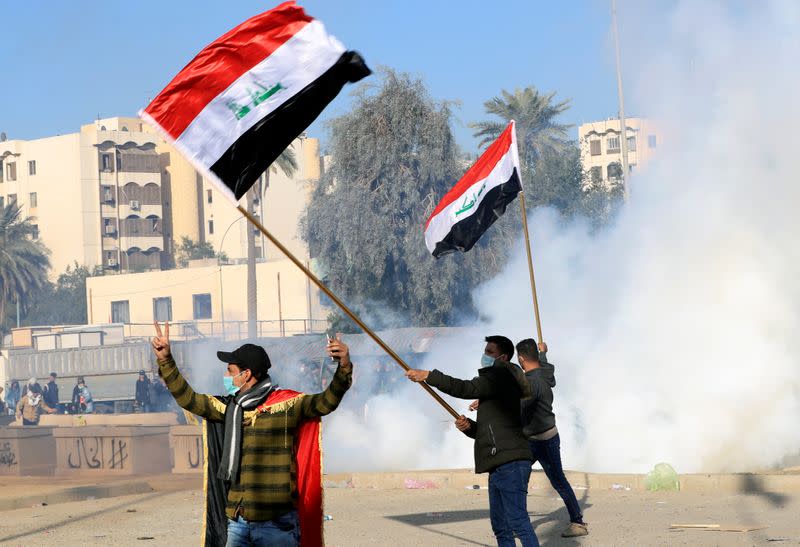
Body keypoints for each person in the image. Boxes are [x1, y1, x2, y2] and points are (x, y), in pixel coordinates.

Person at [151, 321, 352, 547]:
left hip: (276, 525)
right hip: (238, 521)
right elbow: (188, 398)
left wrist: (344, 365)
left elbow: (327, 401)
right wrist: (165, 360)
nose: (226, 375)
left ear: (246, 374)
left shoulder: (287, 404)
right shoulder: (230, 407)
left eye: (230, 370)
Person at [406, 335, 538, 547]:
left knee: (518, 522)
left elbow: (465, 388)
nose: (484, 356)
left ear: (503, 357)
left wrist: (429, 376)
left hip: (510, 462)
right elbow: (494, 430)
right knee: (502, 528)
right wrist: (470, 428)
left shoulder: (501, 375)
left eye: (489, 352)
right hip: (499, 463)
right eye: (485, 351)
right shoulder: (501, 383)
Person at [517, 339, 588, 538]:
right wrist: (544, 354)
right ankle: (520, 523)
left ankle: (578, 522)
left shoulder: (531, 383)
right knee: (522, 481)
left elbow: (518, 408)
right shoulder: (544, 372)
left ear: (521, 359)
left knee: (553, 481)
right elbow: (547, 373)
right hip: (546, 436)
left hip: (539, 440)